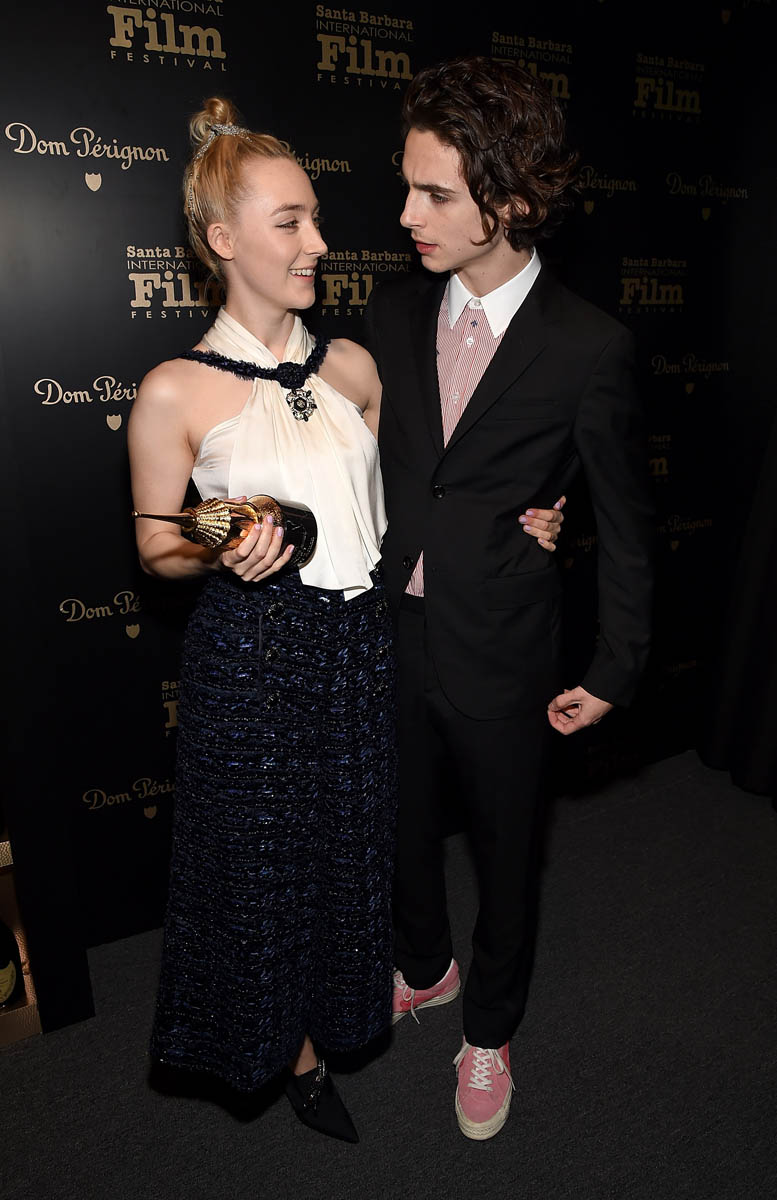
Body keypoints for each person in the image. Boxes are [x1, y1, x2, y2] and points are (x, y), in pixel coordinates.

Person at [128, 96, 564, 1143]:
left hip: (366, 650)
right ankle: (293, 1056)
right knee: (261, 874)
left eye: (316, 217)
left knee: (352, 859)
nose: (319, 242)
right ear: (222, 239)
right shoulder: (174, 390)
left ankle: (357, 1005)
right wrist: (221, 543)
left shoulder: (357, 368)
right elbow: (155, 545)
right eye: (290, 223)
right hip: (255, 658)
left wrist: (530, 515)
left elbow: (438, 477)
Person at [365, 56, 654, 1141]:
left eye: (434, 194)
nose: (406, 216)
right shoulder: (389, 313)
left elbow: (624, 523)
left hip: (505, 643)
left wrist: (615, 665)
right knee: (400, 829)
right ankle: (424, 966)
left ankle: (488, 1028)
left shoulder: (589, 347)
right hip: (390, 627)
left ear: (516, 198)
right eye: (406, 187)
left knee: (505, 849)